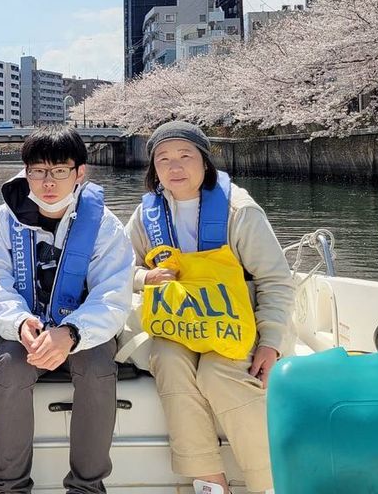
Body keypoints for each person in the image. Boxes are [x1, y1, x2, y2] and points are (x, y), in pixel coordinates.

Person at [125, 121, 293, 494]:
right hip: (178, 325)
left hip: (241, 323)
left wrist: (272, 340)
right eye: (163, 159)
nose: (174, 167)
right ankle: (210, 482)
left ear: (205, 162)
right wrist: (144, 279)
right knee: (167, 360)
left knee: (218, 374)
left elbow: (276, 279)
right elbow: (120, 270)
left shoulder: (240, 212)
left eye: (185, 156)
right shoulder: (146, 216)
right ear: (153, 169)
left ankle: (270, 483)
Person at [0, 125, 134, 494]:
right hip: (23, 331)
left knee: (96, 369)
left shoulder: (104, 225)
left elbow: (112, 294)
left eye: (59, 170)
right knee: (11, 369)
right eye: (38, 171)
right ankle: (11, 487)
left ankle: (86, 487)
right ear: (25, 171)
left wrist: (72, 333)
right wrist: (19, 323)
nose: (48, 181)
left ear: (80, 173)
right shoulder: (3, 220)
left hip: (84, 331)